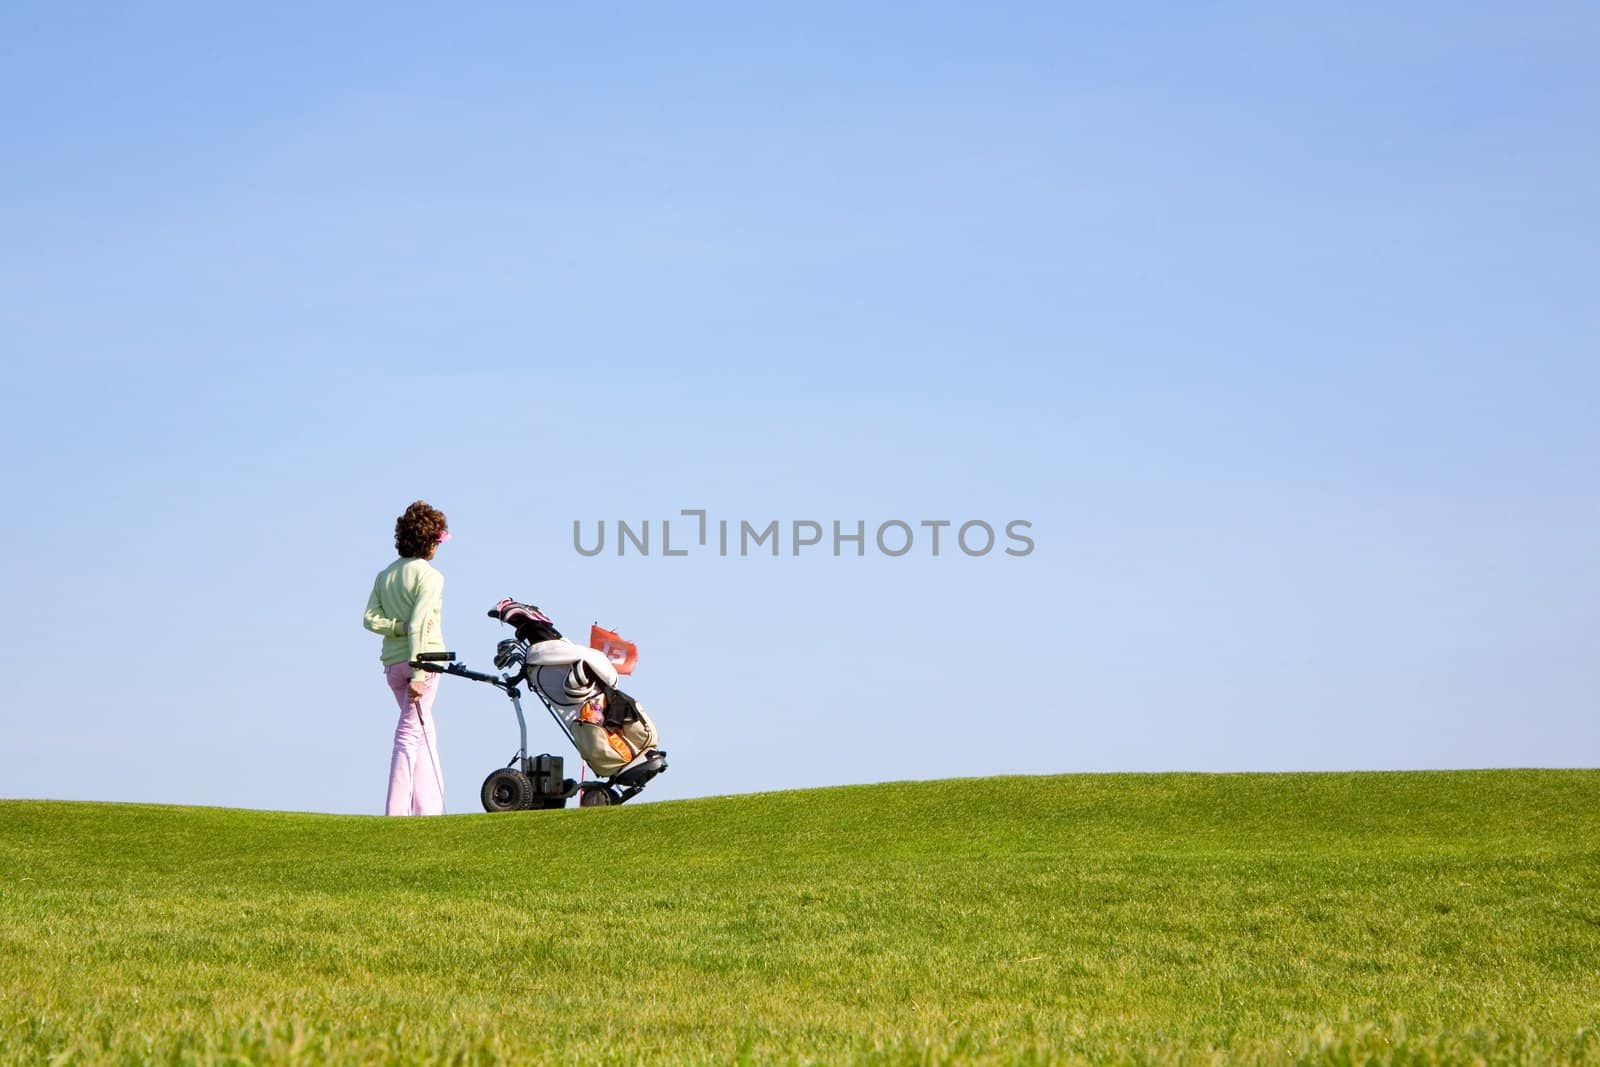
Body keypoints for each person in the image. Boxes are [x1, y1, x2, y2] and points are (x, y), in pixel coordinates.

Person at [363, 501, 451, 815]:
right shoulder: (430, 576)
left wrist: (394, 628)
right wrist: (417, 673)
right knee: (410, 734)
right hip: (422, 664)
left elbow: (370, 619)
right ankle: (396, 813)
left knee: (425, 731)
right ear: (429, 541)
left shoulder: (385, 575)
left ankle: (428, 810)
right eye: (438, 540)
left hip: (392, 664)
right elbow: (417, 624)